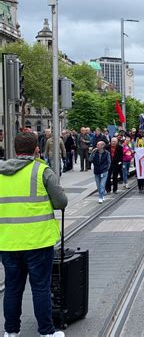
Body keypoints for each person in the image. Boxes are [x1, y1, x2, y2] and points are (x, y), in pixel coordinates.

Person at [0, 132, 68, 337]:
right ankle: (46, 332)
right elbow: (61, 202)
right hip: (38, 241)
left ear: (14, 150)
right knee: (40, 288)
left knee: (12, 288)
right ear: (37, 149)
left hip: (8, 241)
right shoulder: (42, 171)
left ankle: (11, 332)